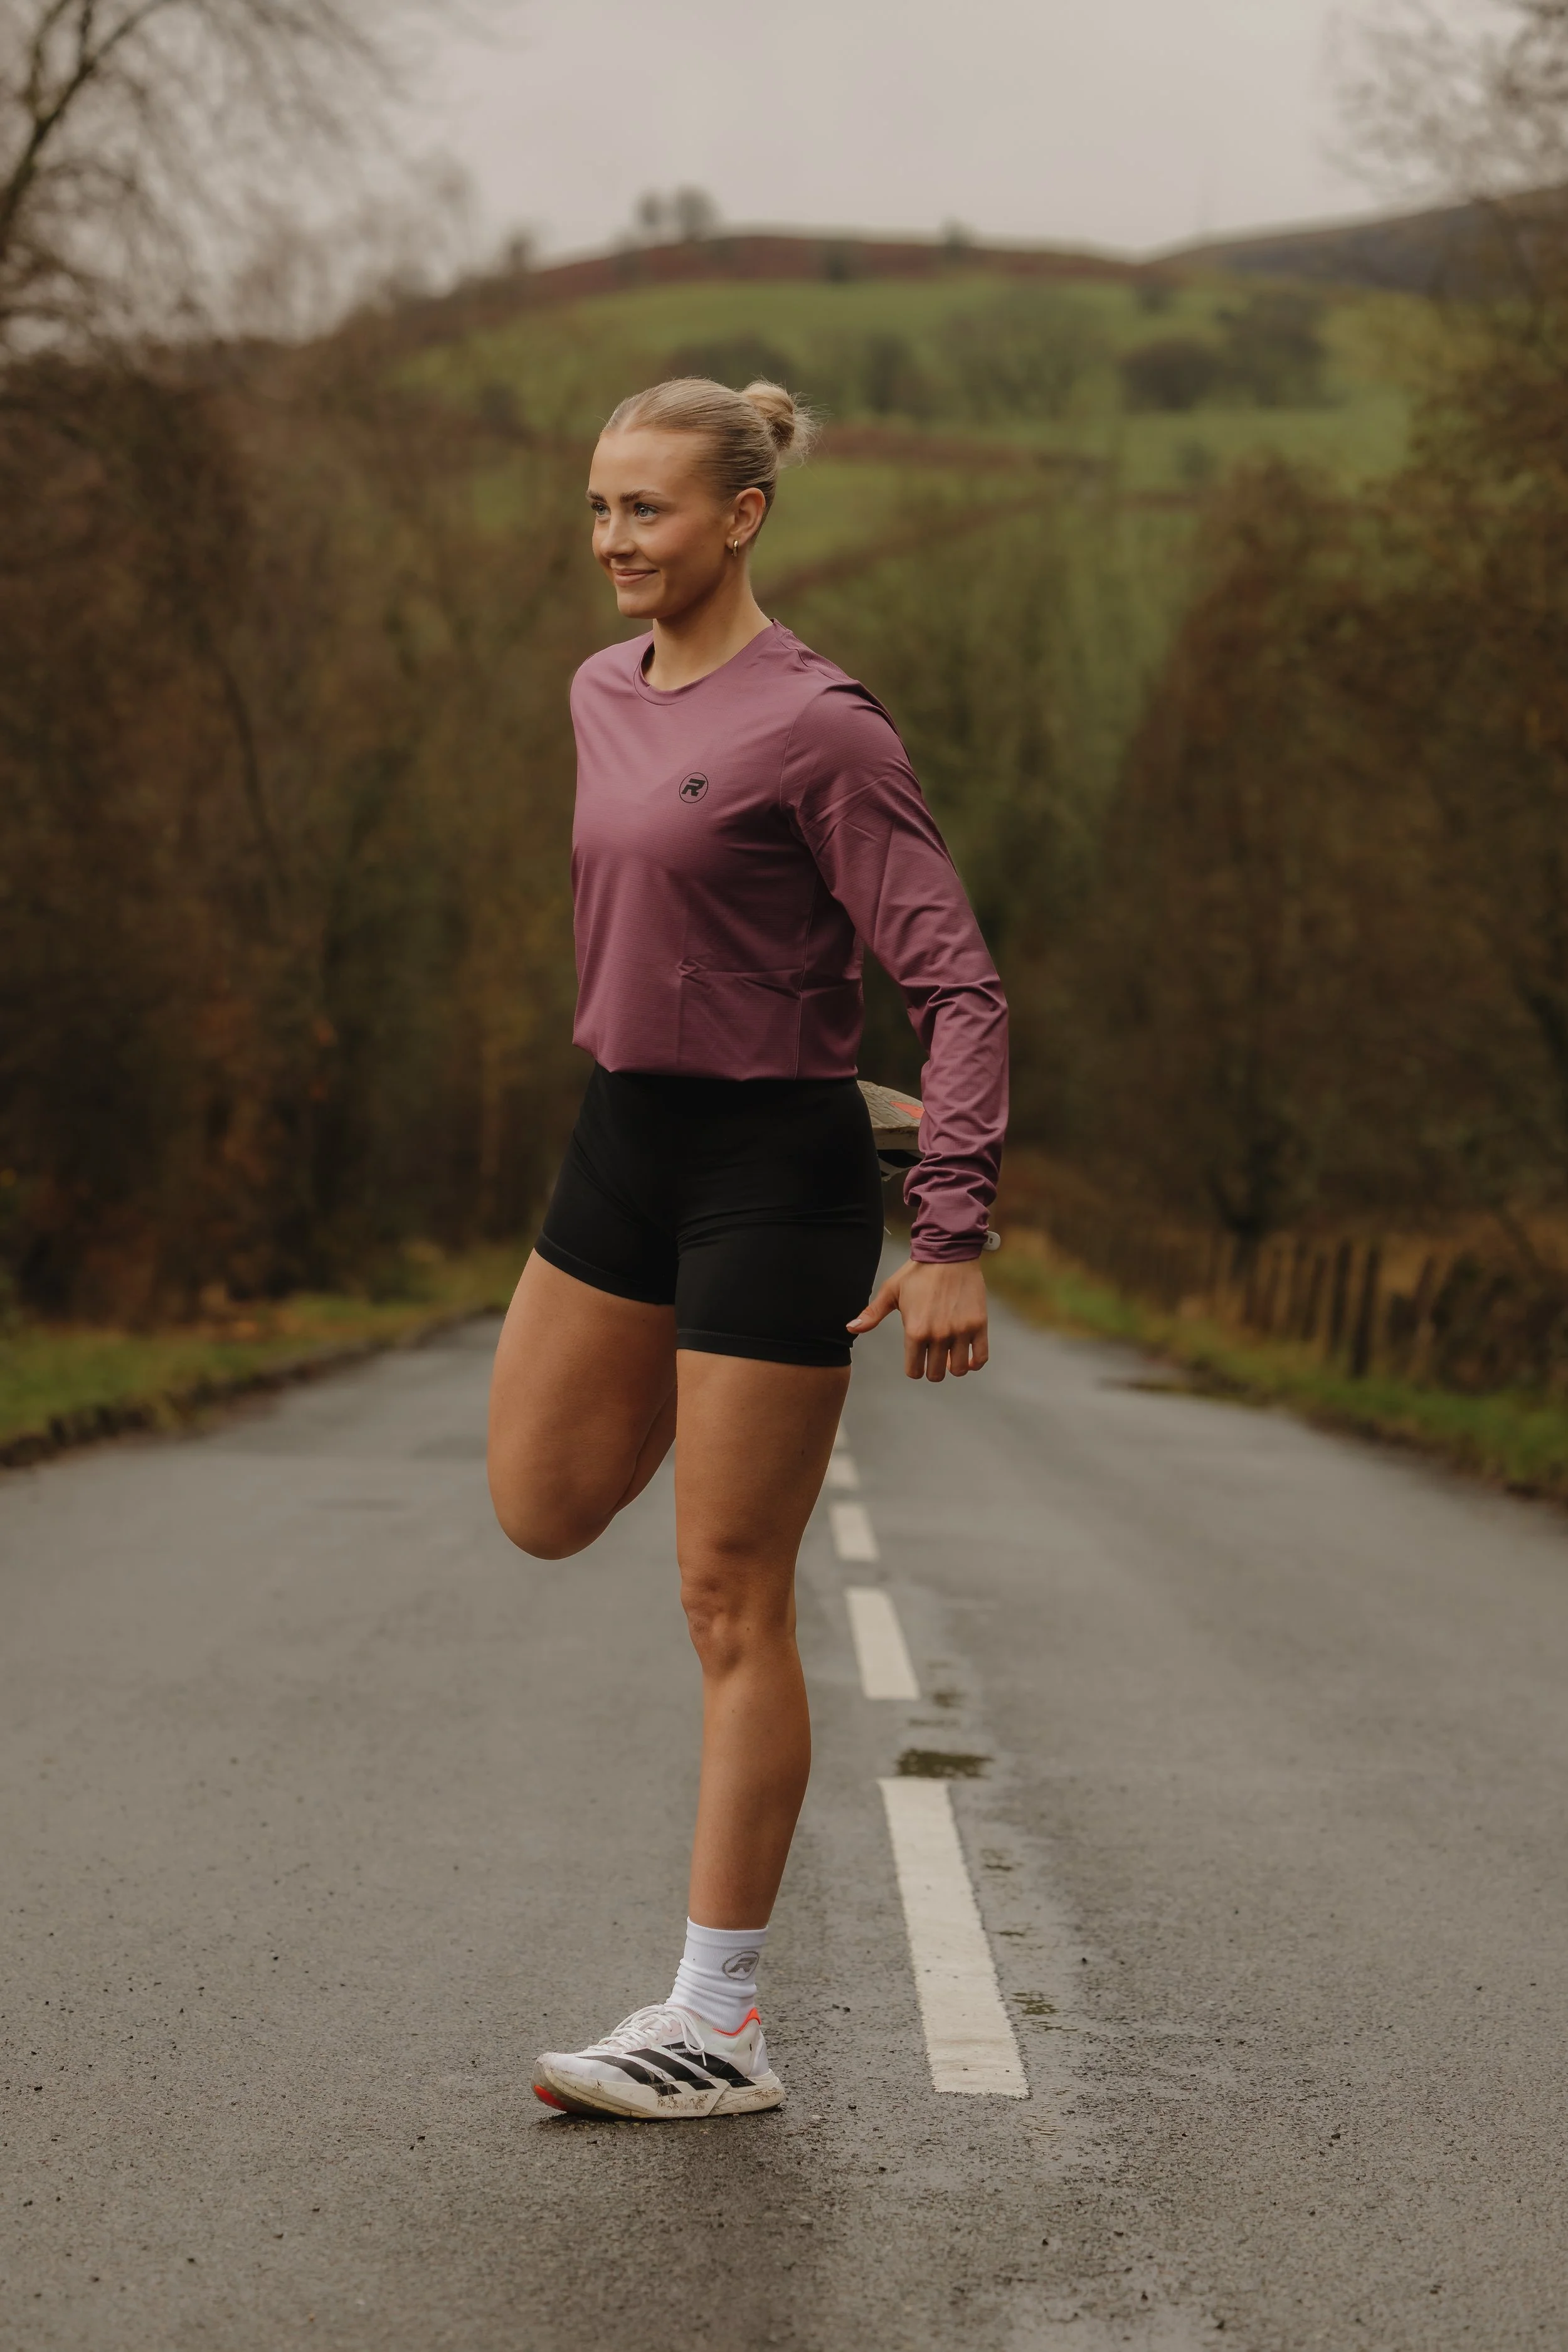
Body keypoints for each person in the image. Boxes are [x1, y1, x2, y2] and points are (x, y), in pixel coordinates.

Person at [487, 374, 1008, 2121]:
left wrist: (952, 1227)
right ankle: (719, 1421)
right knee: (541, 1500)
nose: (613, 541)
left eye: (645, 508)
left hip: (773, 1169)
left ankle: (718, 2019)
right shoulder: (594, 692)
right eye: (598, 508)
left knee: (728, 1592)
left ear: (741, 517)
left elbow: (955, 980)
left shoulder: (822, 727)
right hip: (622, 1139)